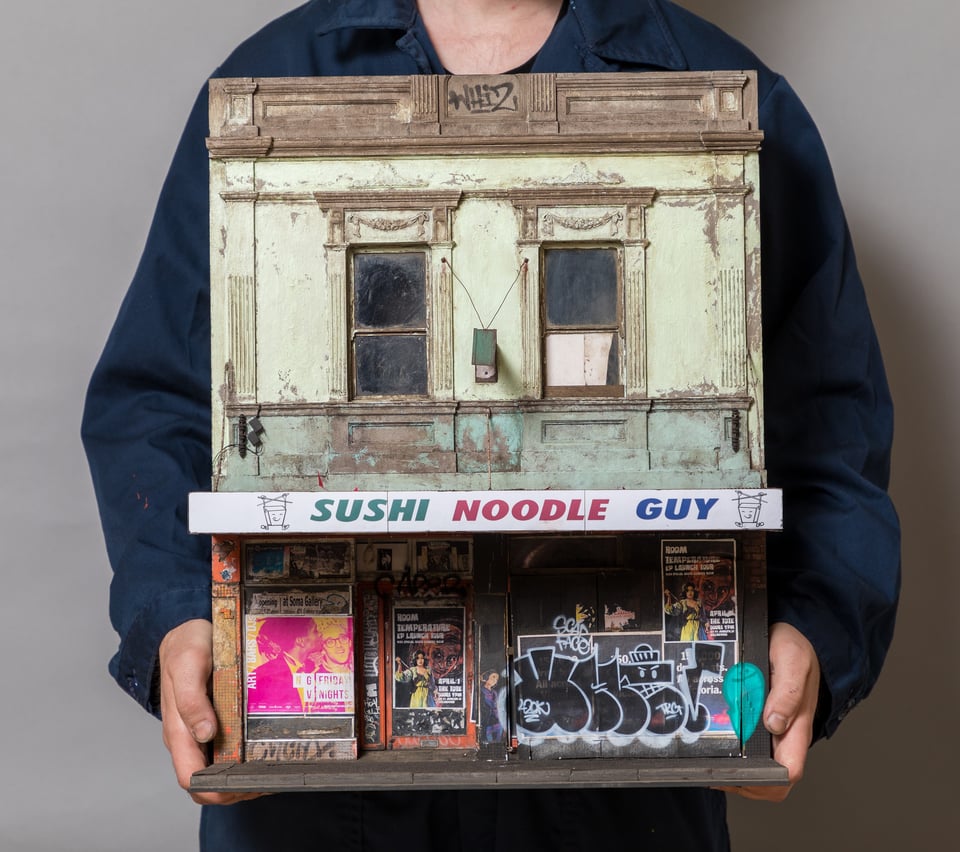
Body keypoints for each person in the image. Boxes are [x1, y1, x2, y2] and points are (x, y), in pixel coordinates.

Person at [81, 1, 900, 850]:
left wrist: (809, 628)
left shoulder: (738, 95)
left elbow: (831, 429)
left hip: (624, 811)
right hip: (313, 821)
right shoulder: (270, 78)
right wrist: (181, 616)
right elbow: (153, 400)